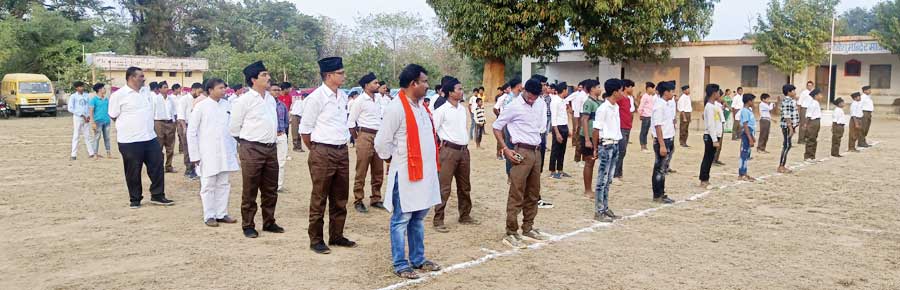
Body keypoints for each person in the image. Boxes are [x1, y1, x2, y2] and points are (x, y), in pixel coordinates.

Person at [374, 64, 443, 279]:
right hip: (406, 174)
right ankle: (400, 263)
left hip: (424, 174)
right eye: (424, 81)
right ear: (413, 83)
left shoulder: (422, 107)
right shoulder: (396, 108)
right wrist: (392, 160)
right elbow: (381, 142)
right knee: (401, 219)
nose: (427, 85)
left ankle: (418, 258)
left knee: (418, 217)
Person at [301, 57, 356, 254]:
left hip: (341, 150)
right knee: (319, 197)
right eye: (340, 73)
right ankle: (316, 239)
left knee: (340, 197)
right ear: (329, 75)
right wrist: (317, 150)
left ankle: (336, 235)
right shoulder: (316, 98)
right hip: (323, 150)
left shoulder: (342, 96)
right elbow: (305, 130)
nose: (344, 76)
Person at [493, 77, 552, 249]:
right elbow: (497, 127)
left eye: (535, 96)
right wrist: (505, 149)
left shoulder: (540, 103)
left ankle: (528, 227)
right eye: (530, 96)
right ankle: (511, 231)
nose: (532, 99)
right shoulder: (513, 106)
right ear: (524, 90)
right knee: (517, 192)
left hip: (536, 151)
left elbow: (541, 126)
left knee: (533, 192)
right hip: (521, 151)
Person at [108, 67, 175, 208]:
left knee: (157, 166)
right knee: (133, 171)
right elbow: (113, 115)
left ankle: (158, 195)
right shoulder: (119, 95)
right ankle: (135, 199)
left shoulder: (146, 92)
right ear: (131, 77)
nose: (144, 79)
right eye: (141, 76)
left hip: (150, 138)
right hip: (129, 140)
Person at [230, 61, 283, 239]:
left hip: (270, 148)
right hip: (252, 148)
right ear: (253, 79)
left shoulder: (270, 99)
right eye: (264, 75)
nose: (268, 78)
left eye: (267, 74)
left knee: (270, 188)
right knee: (250, 188)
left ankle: (269, 221)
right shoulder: (244, 101)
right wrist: (247, 144)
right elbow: (234, 128)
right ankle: (248, 224)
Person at [187, 78, 239, 227]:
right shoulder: (201, 107)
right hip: (207, 152)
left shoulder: (227, 105)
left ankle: (221, 213)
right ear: (210, 90)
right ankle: (209, 215)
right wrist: (194, 155)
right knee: (208, 184)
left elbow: (232, 128)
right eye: (220, 88)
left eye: (224, 88)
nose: (224, 90)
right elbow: (191, 132)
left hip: (225, 150)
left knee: (224, 183)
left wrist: (234, 149)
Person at [431, 76, 478, 233]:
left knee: (465, 186)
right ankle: (438, 219)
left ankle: (465, 215)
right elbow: (432, 131)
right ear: (450, 92)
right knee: (444, 187)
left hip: (464, 151)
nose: (461, 91)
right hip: (448, 151)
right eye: (459, 89)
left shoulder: (462, 110)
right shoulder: (441, 111)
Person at [348, 72, 385, 213]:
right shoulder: (360, 101)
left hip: (378, 135)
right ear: (366, 85)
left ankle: (376, 198)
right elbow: (351, 122)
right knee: (362, 169)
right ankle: (358, 199)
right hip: (365, 134)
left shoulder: (379, 99)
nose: (378, 85)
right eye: (375, 83)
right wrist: (357, 138)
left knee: (378, 169)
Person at [591, 79, 624, 222]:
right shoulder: (603, 108)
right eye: (620, 91)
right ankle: (599, 211)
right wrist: (595, 148)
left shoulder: (615, 106)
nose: (622, 93)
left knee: (608, 179)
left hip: (614, 143)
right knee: (602, 179)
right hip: (606, 145)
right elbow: (596, 129)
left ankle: (605, 207)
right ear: (615, 92)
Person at [650, 81, 677, 204]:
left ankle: (661, 193)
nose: (673, 93)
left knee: (663, 168)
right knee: (659, 169)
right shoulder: (659, 106)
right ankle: (658, 194)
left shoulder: (666, 104)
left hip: (668, 138)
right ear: (665, 92)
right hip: (663, 140)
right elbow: (658, 126)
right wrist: (662, 145)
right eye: (671, 91)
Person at [579, 80, 602, 197]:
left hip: (596, 135)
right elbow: (584, 120)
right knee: (589, 162)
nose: (600, 89)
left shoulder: (599, 102)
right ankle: (587, 190)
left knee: (593, 161)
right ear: (592, 89)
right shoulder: (588, 102)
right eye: (598, 87)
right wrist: (587, 139)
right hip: (588, 135)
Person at [178, 83, 204, 180]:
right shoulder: (184, 99)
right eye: (199, 92)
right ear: (193, 89)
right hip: (185, 125)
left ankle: (195, 168)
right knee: (187, 148)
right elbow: (181, 115)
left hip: (194, 126)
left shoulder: (198, 100)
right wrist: (185, 128)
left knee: (195, 146)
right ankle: (189, 170)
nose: (200, 94)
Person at [698, 84, 722, 188]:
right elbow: (711, 125)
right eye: (718, 92)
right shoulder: (709, 107)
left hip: (715, 135)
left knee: (710, 158)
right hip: (710, 136)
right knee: (707, 158)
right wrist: (714, 139)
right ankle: (703, 179)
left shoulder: (714, 105)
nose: (719, 94)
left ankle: (706, 179)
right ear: (714, 93)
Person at [152, 81, 178, 173]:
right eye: (164, 87)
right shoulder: (155, 99)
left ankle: (168, 166)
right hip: (159, 123)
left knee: (170, 146)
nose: (166, 89)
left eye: (167, 87)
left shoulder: (171, 99)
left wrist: (174, 123)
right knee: (159, 146)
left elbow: (174, 112)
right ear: (159, 89)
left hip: (170, 123)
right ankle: (159, 166)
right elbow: (152, 112)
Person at [268, 82, 290, 192]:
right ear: (268, 91)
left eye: (278, 90)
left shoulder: (282, 105)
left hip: (281, 136)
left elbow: (286, 122)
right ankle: (269, 185)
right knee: (269, 163)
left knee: (281, 162)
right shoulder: (265, 105)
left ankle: (279, 185)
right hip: (269, 137)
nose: (276, 92)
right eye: (274, 90)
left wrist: (281, 132)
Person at [614, 79, 635, 181]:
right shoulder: (620, 98)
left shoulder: (628, 99)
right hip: (621, 127)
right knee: (620, 151)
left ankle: (619, 173)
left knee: (623, 152)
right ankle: (615, 174)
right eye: (631, 87)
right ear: (626, 87)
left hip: (627, 126)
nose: (632, 89)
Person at [69, 81, 95, 160]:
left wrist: (88, 116)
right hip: (78, 118)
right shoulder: (73, 96)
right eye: (80, 87)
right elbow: (70, 108)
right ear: (76, 88)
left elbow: (89, 106)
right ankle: (73, 154)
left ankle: (91, 153)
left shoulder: (86, 95)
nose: (82, 88)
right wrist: (81, 114)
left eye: (82, 86)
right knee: (76, 135)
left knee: (87, 135)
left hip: (86, 118)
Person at [548, 82, 570, 179]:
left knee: (562, 150)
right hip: (558, 127)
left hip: (564, 126)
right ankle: (552, 171)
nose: (567, 91)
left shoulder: (563, 101)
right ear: (564, 90)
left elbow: (564, 115)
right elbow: (554, 118)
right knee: (555, 149)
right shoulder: (555, 101)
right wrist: (557, 133)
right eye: (567, 90)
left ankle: (560, 169)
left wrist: (567, 129)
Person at [778, 84, 799, 173]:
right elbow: (787, 115)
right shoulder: (787, 101)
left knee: (788, 145)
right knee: (786, 145)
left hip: (790, 126)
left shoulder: (791, 101)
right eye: (793, 91)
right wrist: (790, 127)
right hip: (787, 126)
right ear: (789, 92)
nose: (795, 92)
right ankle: (781, 166)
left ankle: (782, 165)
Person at [89, 83, 113, 159]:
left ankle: (108, 153)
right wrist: (92, 122)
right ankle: (95, 154)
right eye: (103, 88)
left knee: (107, 137)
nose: (105, 90)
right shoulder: (93, 100)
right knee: (97, 137)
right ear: (99, 90)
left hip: (106, 121)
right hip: (98, 122)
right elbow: (91, 111)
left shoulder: (106, 99)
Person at [566, 81, 587, 167]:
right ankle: (577, 159)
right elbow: (567, 100)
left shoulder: (587, 95)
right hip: (579, 115)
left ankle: (584, 159)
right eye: (579, 87)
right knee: (578, 134)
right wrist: (570, 109)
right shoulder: (578, 95)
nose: (580, 88)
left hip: (585, 116)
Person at [738, 93, 757, 181]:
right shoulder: (745, 111)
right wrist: (750, 138)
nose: (753, 103)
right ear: (749, 101)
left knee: (746, 154)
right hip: (746, 133)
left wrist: (752, 136)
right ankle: (742, 173)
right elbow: (745, 125)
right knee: (744, 154)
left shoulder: (749, 110)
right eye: (753, 101)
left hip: (749, 132)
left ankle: (744, 172)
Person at [803, 89, 823, 162]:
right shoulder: (813, 103)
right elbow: (808, 115)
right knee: (811, 139)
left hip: (816, 121)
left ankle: (812, 156)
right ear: (816, 96)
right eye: (820, 95)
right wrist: (806, 124)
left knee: (814, 139)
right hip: (813, 122)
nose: (821, 96)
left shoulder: (816, 103)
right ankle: (808, 156)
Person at [637, 82, 656, 153]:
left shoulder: (651, 96)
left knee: (647, 131)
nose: (653, 89)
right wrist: (641, 114)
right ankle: (642, 146)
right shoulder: (645, 96)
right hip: (645, 116)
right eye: (652, 88)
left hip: (650, 116)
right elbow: (641, 106)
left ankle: (645, 146)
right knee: (643, 131)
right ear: (648, 88)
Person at [289, 85, 305, 152]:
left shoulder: (306, 102)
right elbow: (293, 110)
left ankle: (299, 147)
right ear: (302, 97)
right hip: (295, 116)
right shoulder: (298, 101)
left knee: (299, 132)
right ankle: (295, 147)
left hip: (300, 117)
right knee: (295, 132)